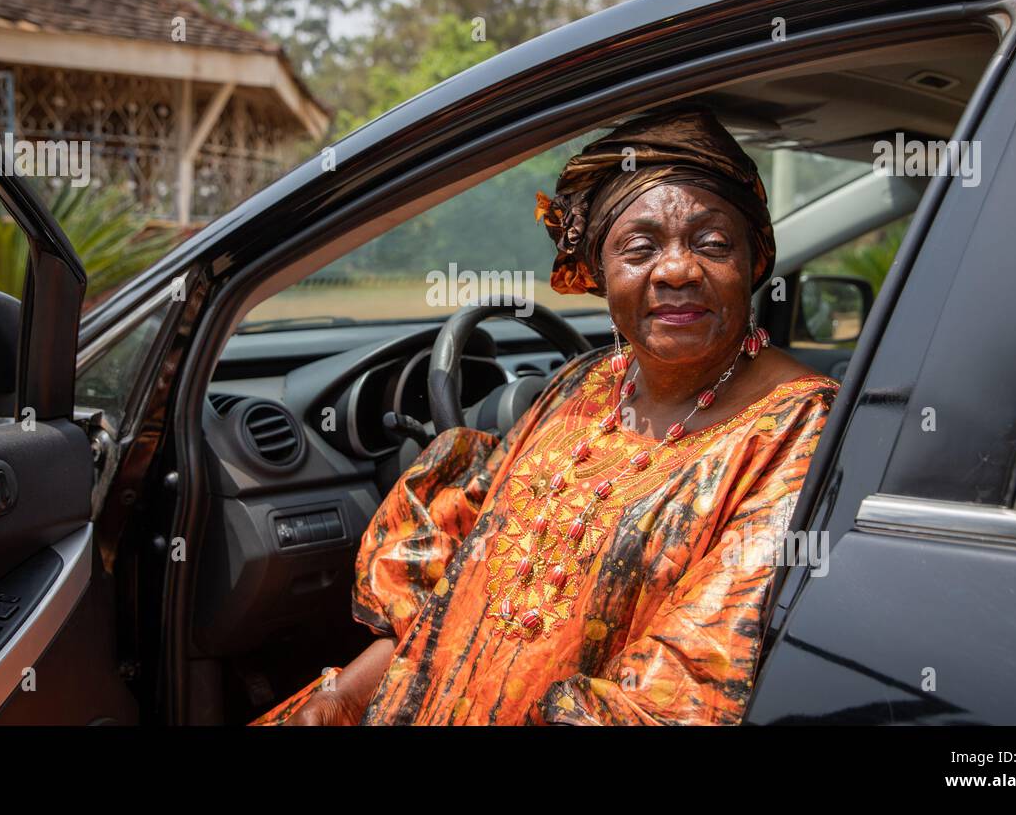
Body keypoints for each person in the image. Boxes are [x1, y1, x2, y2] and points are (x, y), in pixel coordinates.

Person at [250, 107, 838, 725]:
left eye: (712, 244)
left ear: (755, 260)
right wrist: (343, 696)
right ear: (600, 275)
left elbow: (688, 682)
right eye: (639, 249)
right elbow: (448, 592)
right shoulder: (577, 385)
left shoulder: (797, 428)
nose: (676, 270)